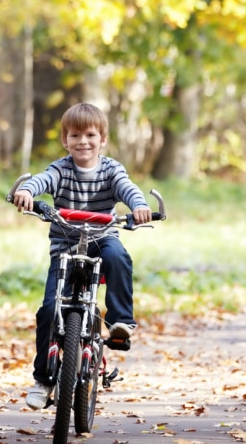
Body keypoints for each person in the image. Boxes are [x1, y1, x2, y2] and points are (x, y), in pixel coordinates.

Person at [10, 103, 152, 410]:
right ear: (65, 140)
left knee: (118, 257)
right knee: (49, 311)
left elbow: (127, 189)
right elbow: (41, 180)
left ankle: (121, 322)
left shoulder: (111, 169)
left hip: (102, 239)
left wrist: (138, 206)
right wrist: (28, 193)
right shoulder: (61, 169)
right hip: (65, 246)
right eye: (75, 135)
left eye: (90, 135)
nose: (83, 142)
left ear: (102, 139)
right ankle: (43, 379)